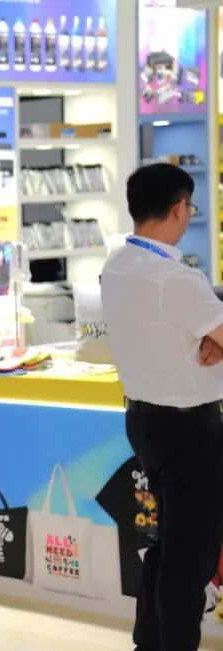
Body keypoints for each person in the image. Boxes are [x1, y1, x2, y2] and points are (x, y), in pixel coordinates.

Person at [101, 163, 223, 651]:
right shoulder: (177, 279)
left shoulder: (117, 267)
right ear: (178, 208)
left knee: (167, 543)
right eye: (190, 206)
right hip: (191, 430)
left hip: (146, 423)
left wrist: (211, 340)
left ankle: (148, 643)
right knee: (190, 556)